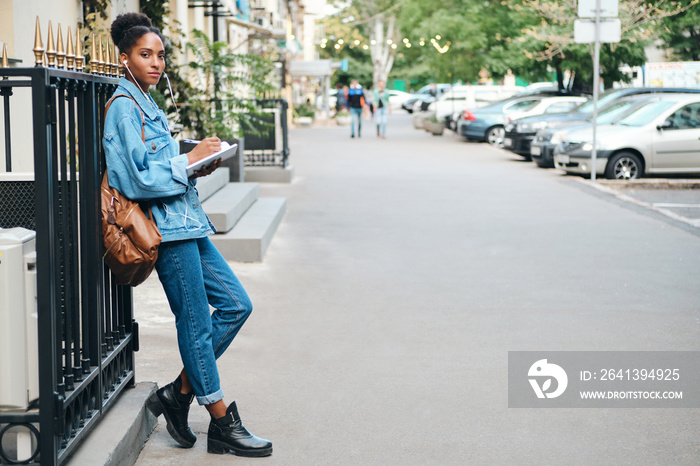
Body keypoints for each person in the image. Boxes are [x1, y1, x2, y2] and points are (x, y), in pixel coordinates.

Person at [103, 13, 272, 457]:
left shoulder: (147, 101)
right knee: (196, 326)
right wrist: (187, 159)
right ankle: (221, 421)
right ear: (125, 59)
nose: (156, 63)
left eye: (160, 55)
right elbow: (133, 177)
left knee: (237, 304)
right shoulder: (123, 105)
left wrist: (199, 161)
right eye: (145, 55)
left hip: (187, 221)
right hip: (167, 233)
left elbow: (162, 166)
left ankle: (177, 395)